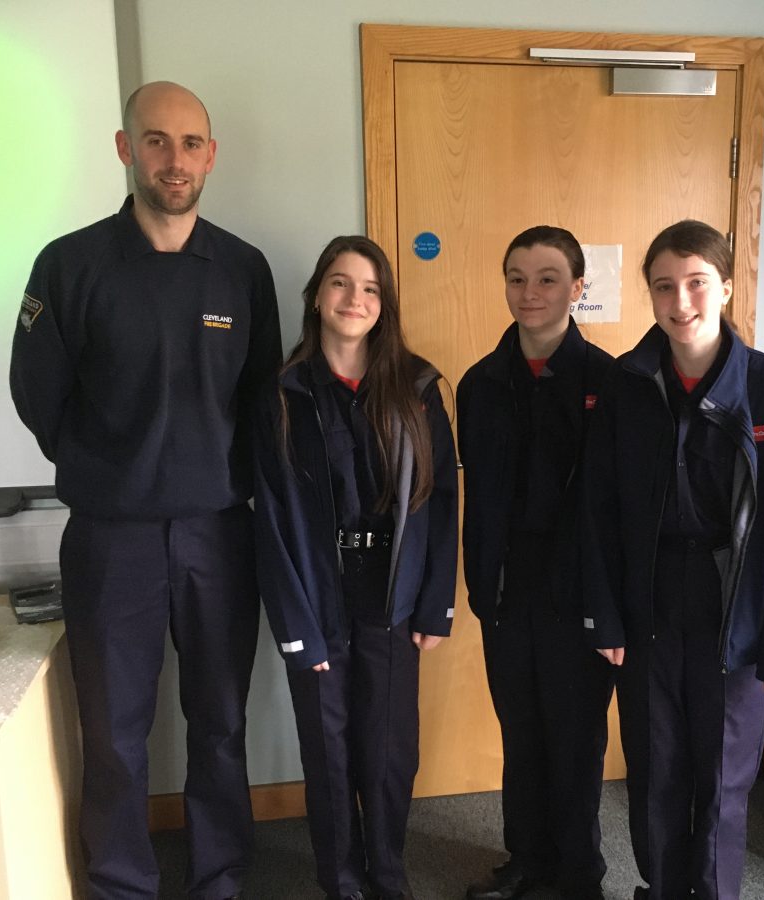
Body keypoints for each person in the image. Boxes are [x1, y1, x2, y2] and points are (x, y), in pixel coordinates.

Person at [9, 82, 282, 898]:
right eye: (156, 141)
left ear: (211, 155)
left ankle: (219, 875)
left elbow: (262, 395)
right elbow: (37, 393)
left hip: (218, 535)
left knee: (221, 723)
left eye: (191, 143)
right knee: (115, 732)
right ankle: (122, 882)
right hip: (110, 536)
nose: (175, 159)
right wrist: (110, 469)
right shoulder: (69, 264)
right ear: (125, 149)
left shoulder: (242, 268)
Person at [581, 220, 764, 900]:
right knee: (657, 766)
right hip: (648, 597)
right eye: (664, 286)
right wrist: (606, 618)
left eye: (695, 282)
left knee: (722, 775)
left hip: (735, 605)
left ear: (724, 286)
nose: (680, 301)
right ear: (650, 295)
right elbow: (596, 511)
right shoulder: (625, 386)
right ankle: (663, 889)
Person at [252, 235, 458, 900]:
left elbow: (442, 502)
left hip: (393, 599)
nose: (355, 299)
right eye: (340, 283)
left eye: (370, 288)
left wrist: (436, 604)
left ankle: (387, 879)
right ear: (317, 295)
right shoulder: (281, 395)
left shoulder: (419, 388)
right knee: (331, 757)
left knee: (389, 753)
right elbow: (272, 519)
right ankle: (341, 885)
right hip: (318, 598)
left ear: (385, 304)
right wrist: (295, 628)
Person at [457, 226, 616, 900]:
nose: (531, 292)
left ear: (578, 288)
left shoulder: (611, 382)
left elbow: (617, 507)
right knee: (521, 734)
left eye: (548, 277)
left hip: (580, 592)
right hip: (506, 588)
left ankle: (579, 871)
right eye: (517, 277)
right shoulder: (479, 384)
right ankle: (525, 859)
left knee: (575, 742)